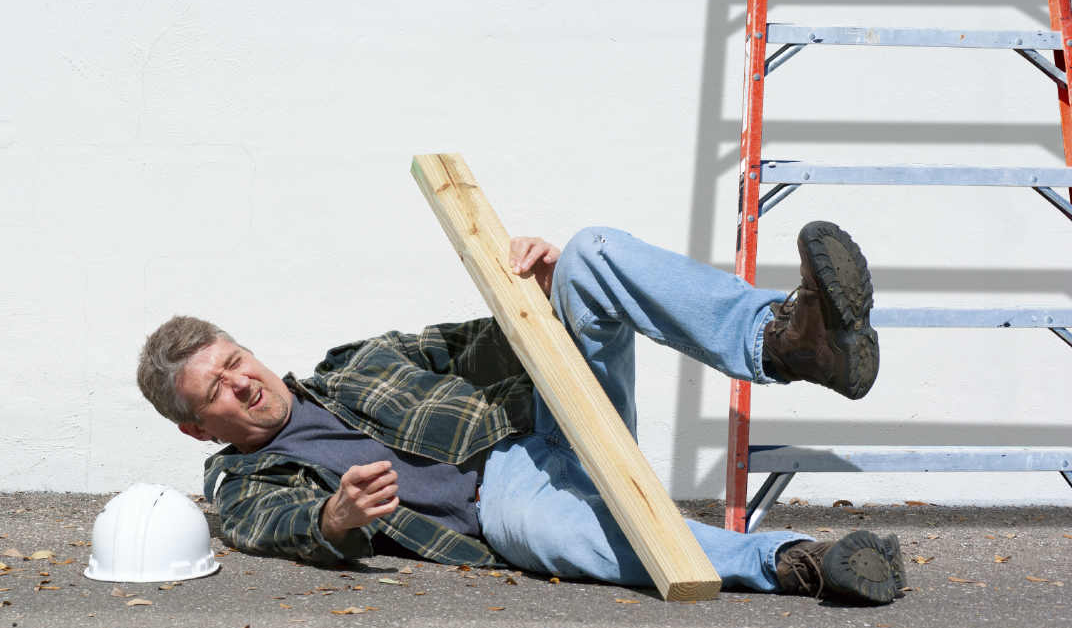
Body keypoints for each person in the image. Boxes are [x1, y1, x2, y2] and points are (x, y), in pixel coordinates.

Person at [137, 222, 905, 605]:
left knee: (590, 252)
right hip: (499, 500)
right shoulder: (241, 477)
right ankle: (795, 561)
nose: (241, 384)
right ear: (196, 426)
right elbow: (271, 524)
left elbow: (480, 343)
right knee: (551, 533)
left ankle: (788, 341)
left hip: (546, 419)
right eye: (216, 393)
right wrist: (334, 520)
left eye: (234, 361)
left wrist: (537, 295)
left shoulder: (354, 362)